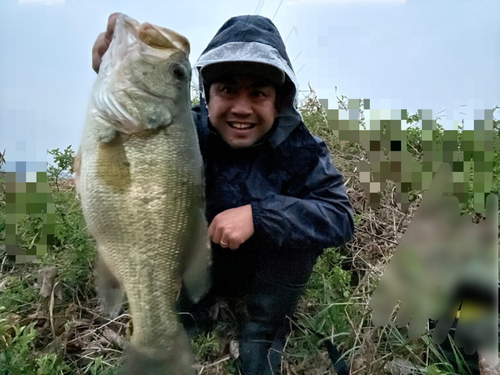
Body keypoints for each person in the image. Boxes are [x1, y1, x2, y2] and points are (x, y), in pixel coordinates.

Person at [92, 13, 354, 375]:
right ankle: (192, 309)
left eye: (258, 93)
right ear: (208, 95)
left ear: (278, 102)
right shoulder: (180, 132)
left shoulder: (302, 149)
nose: (241, 108)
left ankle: (263, 331)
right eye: (227, 89)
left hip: (269, 270)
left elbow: (339, 217)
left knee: (300, 227)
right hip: (201, 263)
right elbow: (134, 126)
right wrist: (113, 71)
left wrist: (259, 216)